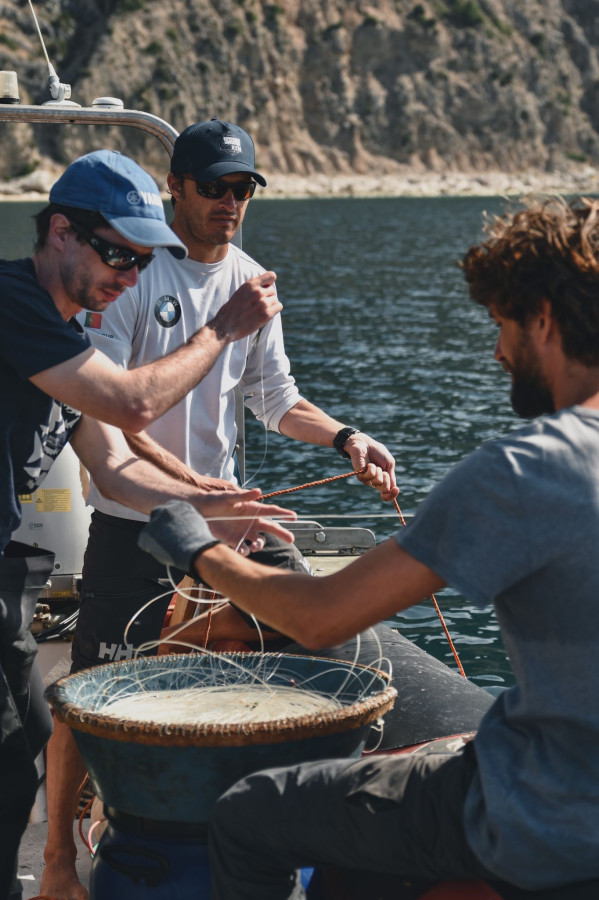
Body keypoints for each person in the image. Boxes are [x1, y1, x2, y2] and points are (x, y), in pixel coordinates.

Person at [139, 197, 599, 898]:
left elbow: (322, 618)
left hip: (540, 821)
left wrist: (198, 549)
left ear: (543, 318)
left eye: (501, 324)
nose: (496, 351)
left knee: (249, 815)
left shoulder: (532, 466)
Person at [41, 120, 397, 900]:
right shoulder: (131, 275)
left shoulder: (250, 279)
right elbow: (118, 418)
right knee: (88, 689)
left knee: (325, 642)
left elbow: (273, 400)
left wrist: (344, 437)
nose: (230, 204)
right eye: (214, 188)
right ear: (176, 186)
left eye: (243, 190)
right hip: (138, 518)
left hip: (230, 521)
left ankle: (280, 842)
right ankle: (62, 864)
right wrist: (197, 495)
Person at [0, 147, 292, 900]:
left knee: (31, 741)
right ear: (60, 231)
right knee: (9, 762)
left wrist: (217, 513)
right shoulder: (13, 303)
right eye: (116, 256)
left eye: (139, 264)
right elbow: (132, 406)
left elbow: (117, 468)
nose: (127, 278)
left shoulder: (65, 337)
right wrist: (221, 329)